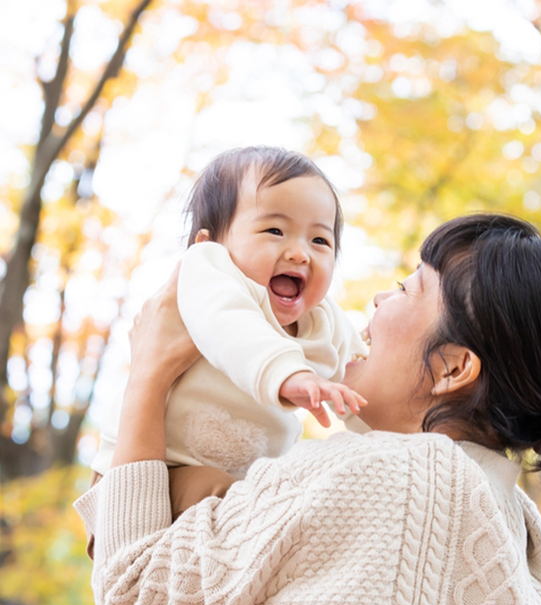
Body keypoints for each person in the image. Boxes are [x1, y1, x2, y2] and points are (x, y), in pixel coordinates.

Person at [75, 214, 541, 605]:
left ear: (452, 369)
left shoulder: (385, 474)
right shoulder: (528, 544)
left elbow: (132, 598)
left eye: (407, 289)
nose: (377, 299)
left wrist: (149, 372)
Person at [91, 146, 368, 480]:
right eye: (275, 231)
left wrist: (387, 436)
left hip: (236, 484)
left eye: (320, 240)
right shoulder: (210, 273)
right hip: (153, 466)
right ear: (209, 243)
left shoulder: (329, 324)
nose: (300, 254)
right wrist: (288, 374)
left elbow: (363, 387)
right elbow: (231, 327)